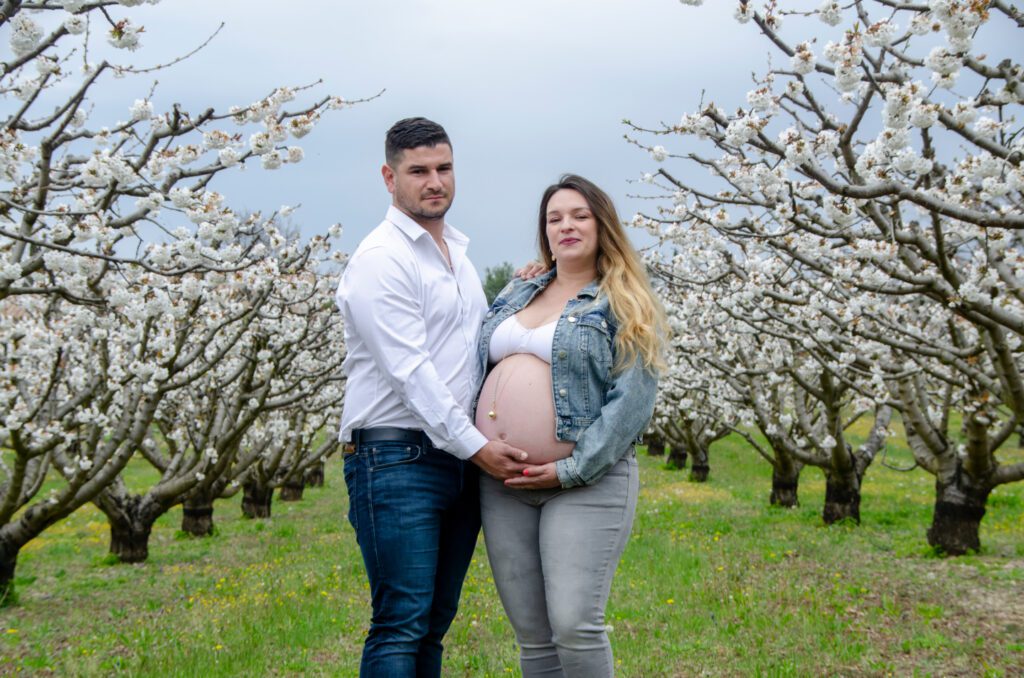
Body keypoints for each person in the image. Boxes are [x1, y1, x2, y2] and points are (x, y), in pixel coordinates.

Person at [336, 117, 529, 677]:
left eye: (443, 168)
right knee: (401, 621)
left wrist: (527, 287)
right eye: (418, 171)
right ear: (389, 177)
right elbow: (410, 372)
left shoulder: (458, 260)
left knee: (434, 622)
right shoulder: (381, 260)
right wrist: (476, 447)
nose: (434, 181)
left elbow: (473, 349)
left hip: (454, 459)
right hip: (395, 458)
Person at [474, 174, 667, 677]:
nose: (566, 226)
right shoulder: (518, 291)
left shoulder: (621, 301)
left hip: (585, 481)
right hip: (503, 483)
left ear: (602, 224)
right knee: (533, 636)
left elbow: (632, 403)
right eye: (554, 218)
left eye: (579, 215)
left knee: (575, 624)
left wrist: (572, 469)